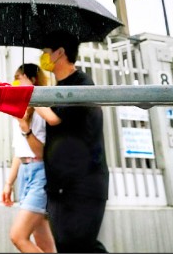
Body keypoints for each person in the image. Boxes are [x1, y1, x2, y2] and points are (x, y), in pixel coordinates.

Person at [29, 30, 110, 253]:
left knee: (80, 245)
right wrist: (25, 126)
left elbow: (56, 119)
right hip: (59, 187)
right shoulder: (57, 90)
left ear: (60, 53)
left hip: (83, 184)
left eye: (46, 52)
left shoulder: (81, 84)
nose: (43, 58)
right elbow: (46, 143)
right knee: (69, 246)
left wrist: (31, 97)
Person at [2, 63, 56, 253]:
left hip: (40, 174)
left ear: (32, 80)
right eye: (15, 77)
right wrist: (9, 183)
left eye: (20, 77)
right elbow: (20, 151)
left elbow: (40, 152)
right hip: (25, 174)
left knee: (18, 236)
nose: (15, 81)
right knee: (45, 245)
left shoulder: (41, 110)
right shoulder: (20, 111)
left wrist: (25, 126)